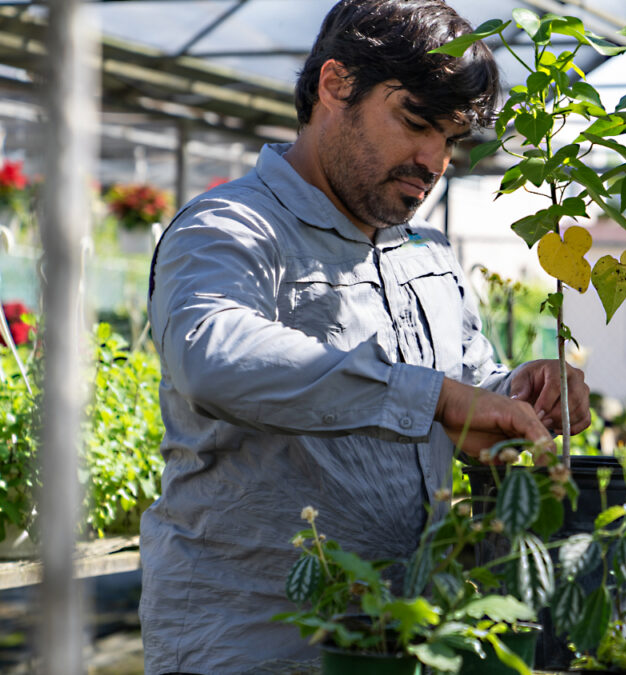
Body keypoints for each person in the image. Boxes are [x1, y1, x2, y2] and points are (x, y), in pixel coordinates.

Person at [139, 1, 590, 671]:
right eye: (414, 122)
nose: (434, 159)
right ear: (334, 85)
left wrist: (515, 394)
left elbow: (465, 389)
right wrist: (433, 397)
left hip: (402, 641)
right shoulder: (230, 229)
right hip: (256, 647)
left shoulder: (428, 256)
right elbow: (217, 355)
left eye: (450, 138)